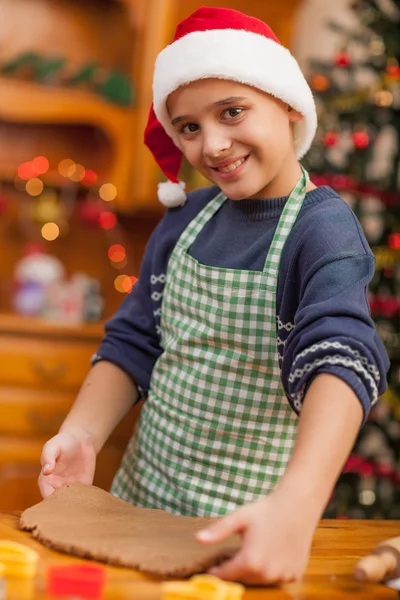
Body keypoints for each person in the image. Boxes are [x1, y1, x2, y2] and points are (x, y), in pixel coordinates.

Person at [38, 6, 389, 585]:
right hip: (133, 510)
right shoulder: (184, 220)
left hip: (247, 536)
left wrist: (296, 509)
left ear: (290, 105)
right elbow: (133, 341)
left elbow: (343, 356)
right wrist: (82, 433)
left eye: (232, 111)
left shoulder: (320, 229)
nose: (214, 144)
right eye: (189, 127)